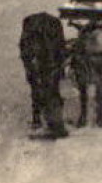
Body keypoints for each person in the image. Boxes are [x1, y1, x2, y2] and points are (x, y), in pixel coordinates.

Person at [19, 11, 70, 140]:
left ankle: (41, 119)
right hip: (49, 62)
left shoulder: (32, 40)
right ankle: (52, 121)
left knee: (42, 89)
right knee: (50, 89)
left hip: (46, 61)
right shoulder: (49, 35)